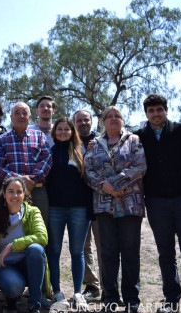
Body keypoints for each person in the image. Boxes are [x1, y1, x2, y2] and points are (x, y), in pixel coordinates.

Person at [134, 94, 181, 313]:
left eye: (159, 110)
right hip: (155, 201)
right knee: (166, 253)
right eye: (151, 111)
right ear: (146, 113)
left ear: (166, 110)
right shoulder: (139, 136)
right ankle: (171, 300)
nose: (156, 114)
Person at [84, 106, 146, 313]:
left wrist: (115, 184)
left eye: (116, 116)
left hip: (130, 205)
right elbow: (88, 170)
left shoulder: (133, 140)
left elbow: (140, 166)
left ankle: (131, 300)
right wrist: (106, 188)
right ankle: (110, 298)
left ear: (122, 120)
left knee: (130, 252)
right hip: (104, 206)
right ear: (102, 122)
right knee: (108, 253)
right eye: (108, 116)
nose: (113, 119)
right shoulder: (94, 145)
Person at [46, 118, 92, 310]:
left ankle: (78, 293)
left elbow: (89, 182)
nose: (63, 132)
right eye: (60, 129)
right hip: (55, 208)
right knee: (54, 251)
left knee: (77, 252)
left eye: (67, 129)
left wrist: (90, 209)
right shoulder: (48, 152)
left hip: (79, 209)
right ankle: (57, 292)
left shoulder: (82, 152)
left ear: (72, 132)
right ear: (54, 132)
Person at [0, 176, 50, 313]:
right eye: (10, 191)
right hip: (6, 265)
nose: (15, 195)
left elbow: (42, 237)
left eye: (19, 192)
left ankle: (34, 304)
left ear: (24, 194)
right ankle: (11, 298)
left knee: (36, 249)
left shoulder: (33, 212)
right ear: (4, 194)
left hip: (28, 264)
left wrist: (12, 246)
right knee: (14, 287)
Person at [0, 102, 52, 224]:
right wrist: (18, 180)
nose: (21, 116)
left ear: (30, 117)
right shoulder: (2, 139)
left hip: (37, 191)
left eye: (25, 113)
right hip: (11, 193)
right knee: (12, 229)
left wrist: (33, 180)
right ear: (11, 117)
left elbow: (47, 159)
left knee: (40, 229)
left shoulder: (40, 136)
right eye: (17, 113)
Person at [74, 109, 102, 301]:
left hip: (101, 200)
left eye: (86, 120)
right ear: (74, 123)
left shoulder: (102, 141)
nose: (83, 123)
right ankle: (92, 285)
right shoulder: (70, 142)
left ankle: (110, 284)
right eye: (79, 120)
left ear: (92, 121)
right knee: (84, 246)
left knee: (105, 245)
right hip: (79, 203)